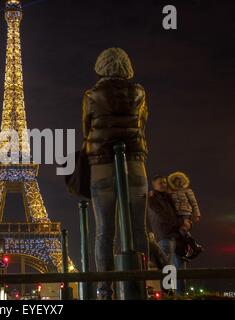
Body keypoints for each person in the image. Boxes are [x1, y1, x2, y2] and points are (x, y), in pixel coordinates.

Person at [82, 47, 149, 299]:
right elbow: (142, 123)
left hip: (102, 166)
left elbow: (86, 128)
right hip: (133, 161)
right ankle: (140, 284)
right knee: (138, 229)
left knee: (104, 231)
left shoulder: (91, 95)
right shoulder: (139, 92)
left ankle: (104, 290)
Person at [148, 175, 184, 294]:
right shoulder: (152, 199)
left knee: (176, 267)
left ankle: (178, 294)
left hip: (175, 235)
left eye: (165, 182)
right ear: (154, 185)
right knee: (168, 266)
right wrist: (181, 223)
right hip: (164, 234)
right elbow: (163, 217)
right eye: (161, 183)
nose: (164, 184)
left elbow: (177, 213)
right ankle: (169, 295)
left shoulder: (169, 198)